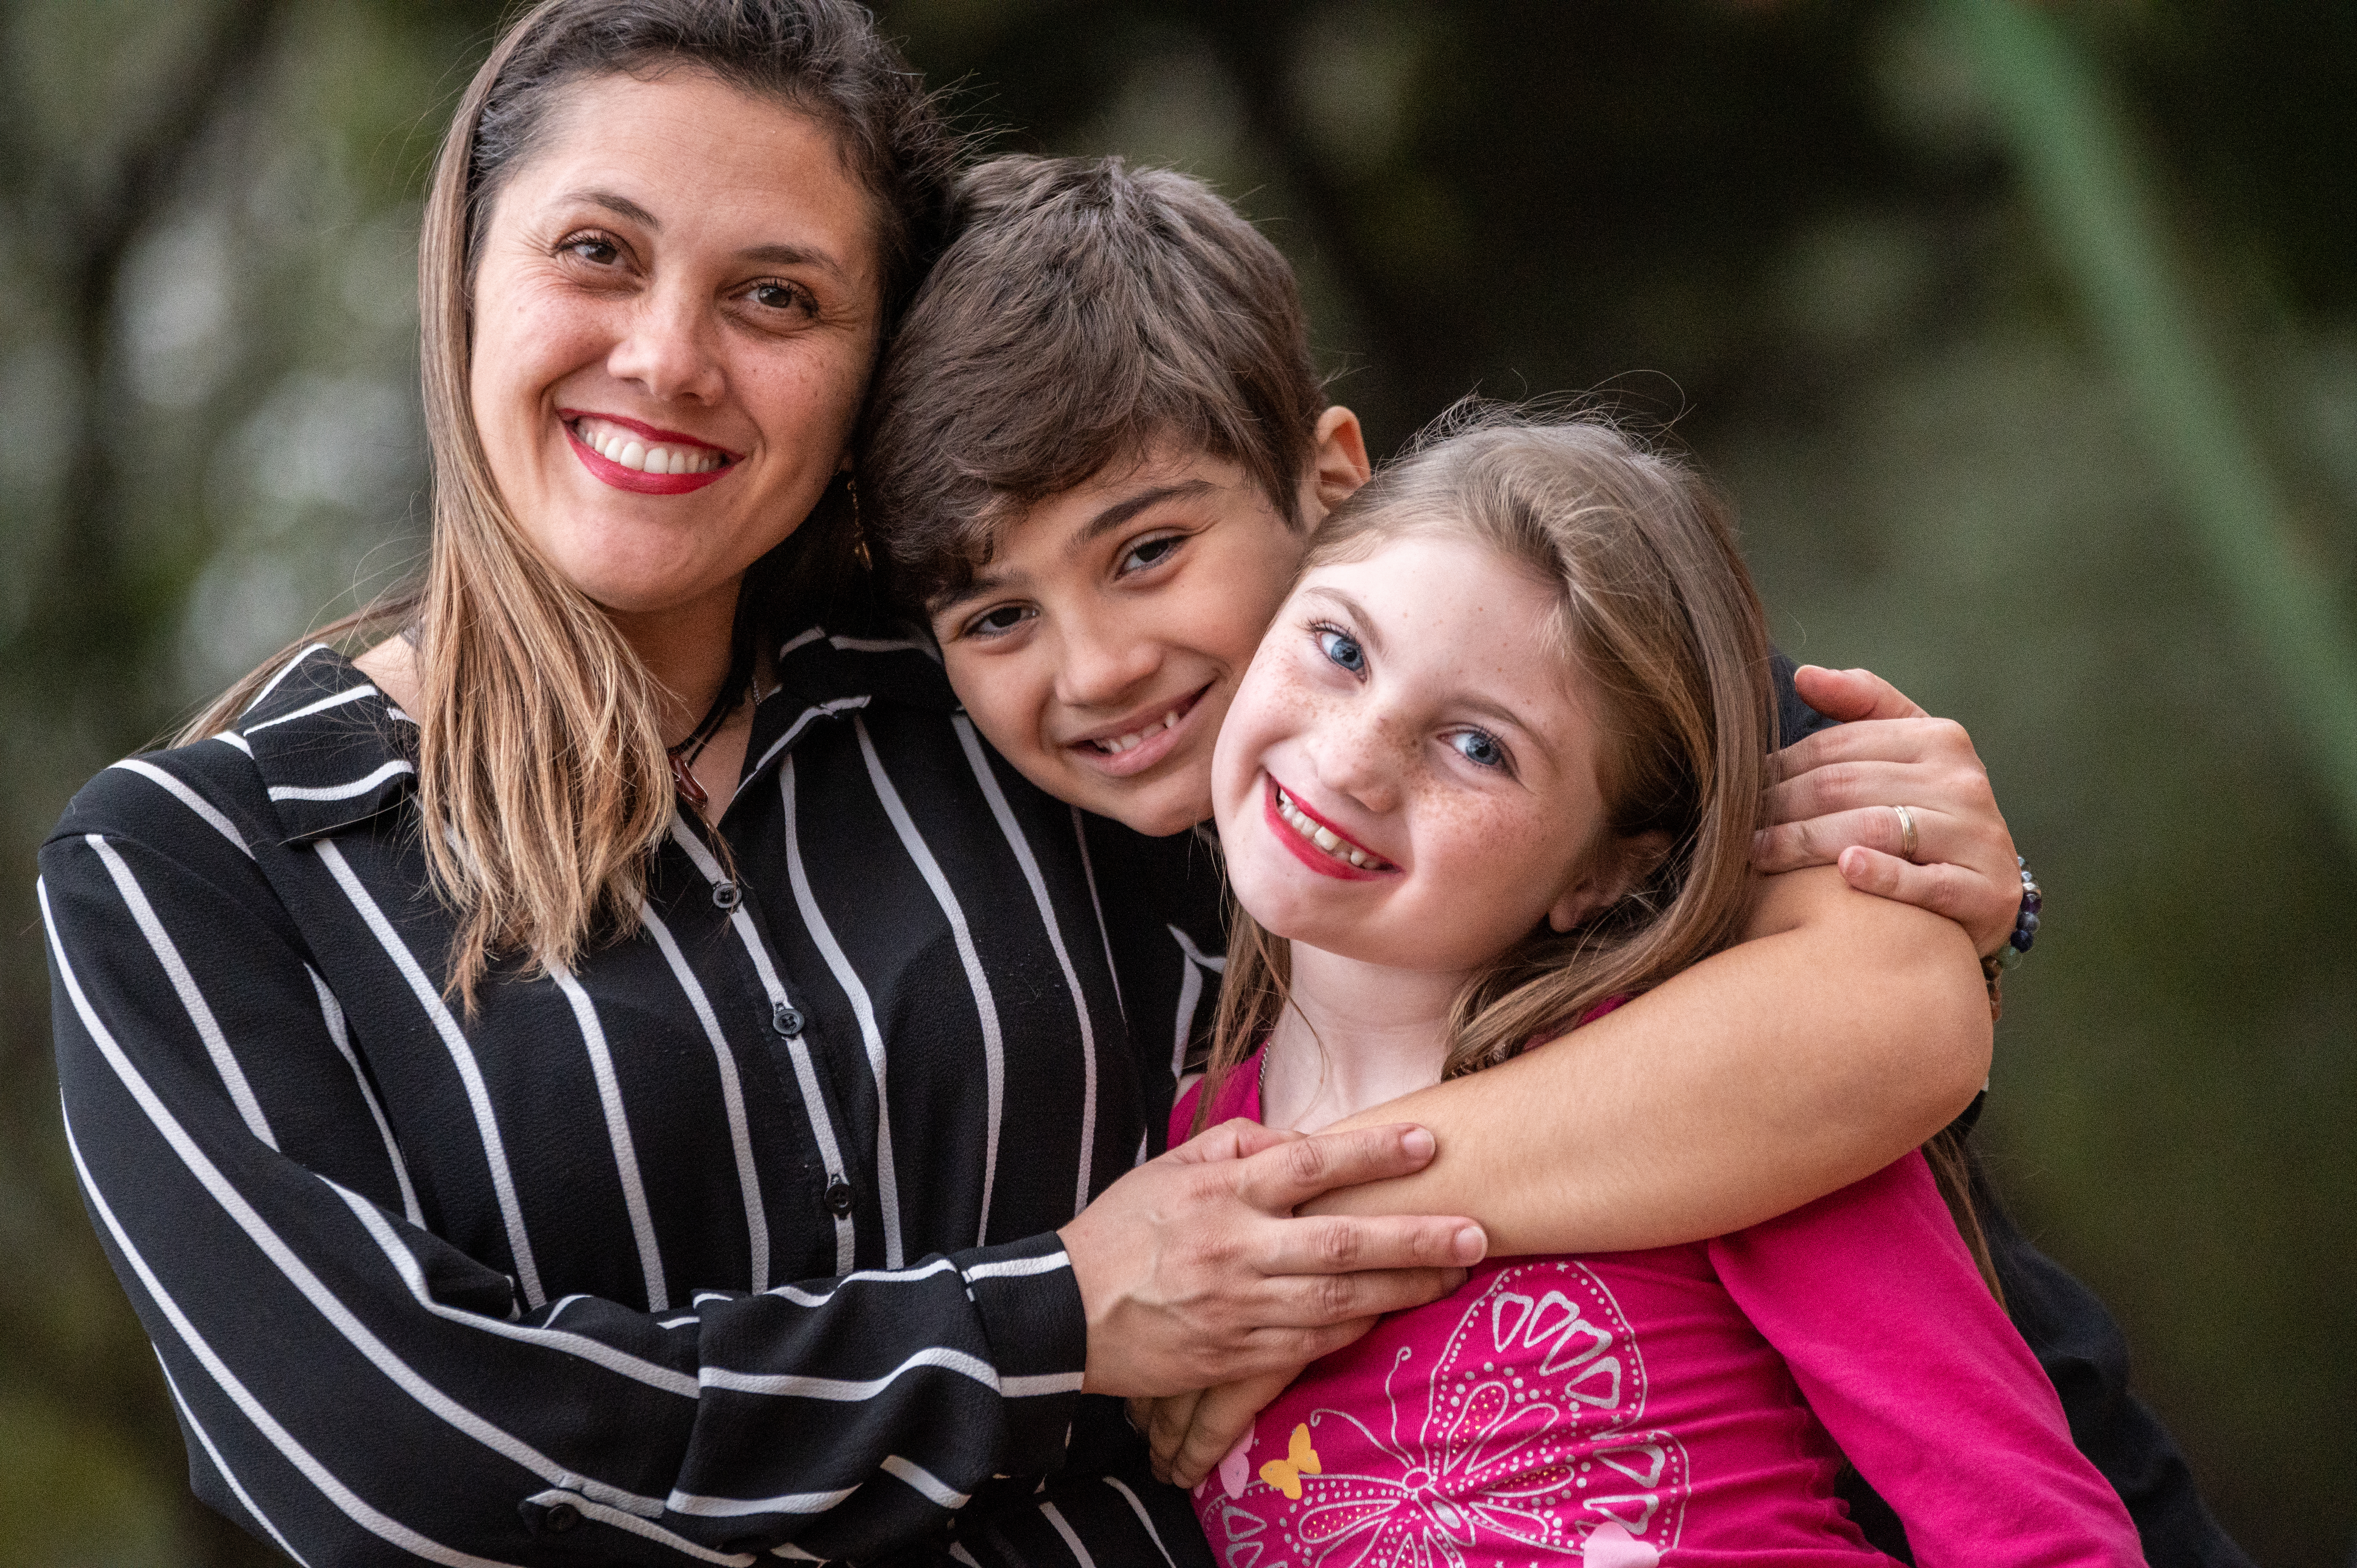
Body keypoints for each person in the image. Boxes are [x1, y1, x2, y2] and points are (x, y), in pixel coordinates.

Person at [38, 6, 1493, 1563]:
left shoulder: (1009, 691)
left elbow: (1538, 777)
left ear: (874, 370)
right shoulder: (197, 867)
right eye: (598, 252)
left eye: (776, 297)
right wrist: (1054, 1320)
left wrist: (1763, 797)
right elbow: (403, 1462)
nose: (668, 357)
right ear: (466, 272)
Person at [862, 154, 2252, 1566]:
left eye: (1150, 551)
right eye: (994, 617)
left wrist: (1298, 1238)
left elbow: (1891, 1020)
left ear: (1333, 481)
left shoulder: (1581, 652)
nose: (1098, 666)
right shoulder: (1143, 1025)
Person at [1172, 406, 2143, 1565]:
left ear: (1605, 868)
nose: (1352, 759)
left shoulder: (1734, 1097)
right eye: (1340, 648)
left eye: (1479, 747)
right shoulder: (1182, 1185)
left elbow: (2033, 1530)